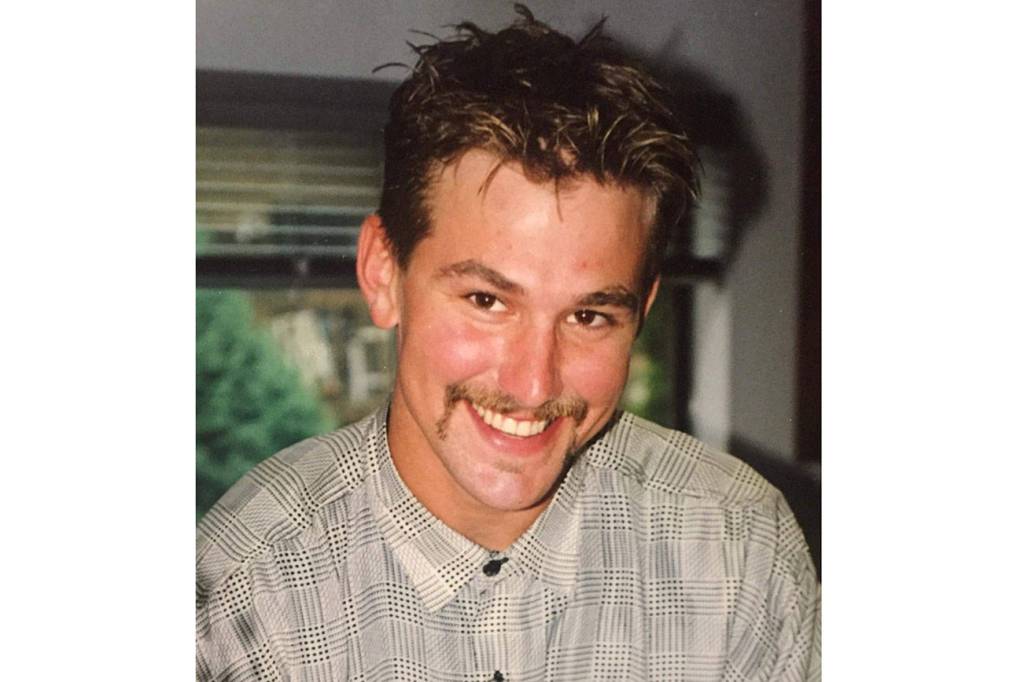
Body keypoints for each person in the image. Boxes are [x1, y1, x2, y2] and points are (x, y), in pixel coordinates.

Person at [196, 6, 820, 680]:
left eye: (589, 317)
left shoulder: (738, 548)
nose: (532, 384)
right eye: (487, 301)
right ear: (383, 273)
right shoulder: (242, 590)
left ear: (641, 312)